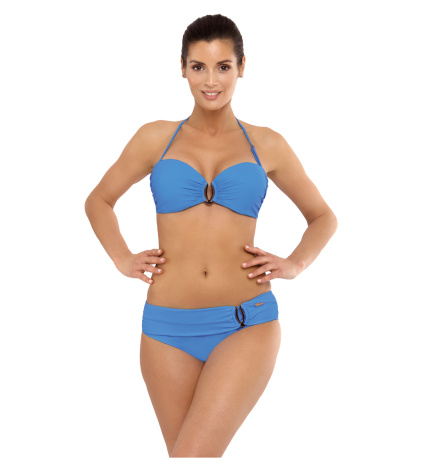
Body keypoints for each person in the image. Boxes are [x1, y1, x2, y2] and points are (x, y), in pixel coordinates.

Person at [84, 13, 337, 458]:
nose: (211, 80)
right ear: (182, 68)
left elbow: (322, 216)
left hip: (245, 322)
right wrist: (122, 258)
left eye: (223, 66)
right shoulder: (155, 138)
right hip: (165, 329)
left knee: (193, 455)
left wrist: (295, 264)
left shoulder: (267, 144)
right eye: (198, 67)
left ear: (242, 67)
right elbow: (99, 200)